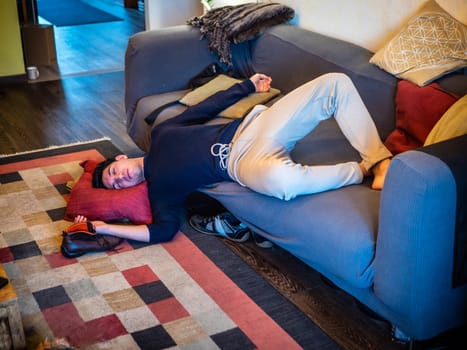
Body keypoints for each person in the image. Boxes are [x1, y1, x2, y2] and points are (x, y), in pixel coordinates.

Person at [62, 72, 392, 256]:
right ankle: (360, 171)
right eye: (117, 185)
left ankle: (379, 159)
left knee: (334, 83)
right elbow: (162, 231)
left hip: (253, 127)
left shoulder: (163, 133)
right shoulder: (160, 190)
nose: (120, 179)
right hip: (242, 163)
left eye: (114, 173)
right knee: (283, 184)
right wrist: (101, 227)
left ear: (120, 159)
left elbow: (203, 108)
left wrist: (247, 86)